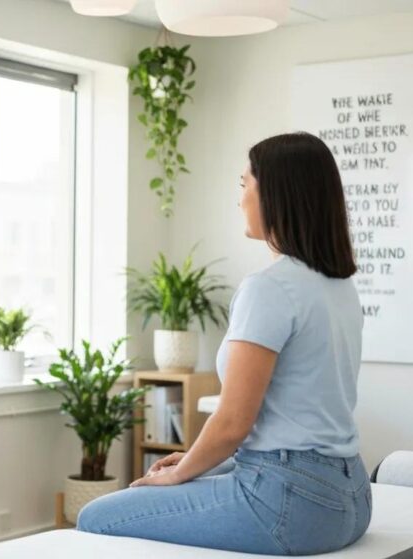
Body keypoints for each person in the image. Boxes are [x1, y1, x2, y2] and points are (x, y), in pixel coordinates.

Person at [77, 132, 370, 555]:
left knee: (97, 517)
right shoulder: (340, 286)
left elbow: (234, 423)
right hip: (351, 498)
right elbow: (287, 430)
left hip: (291, 502)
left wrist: (178, 477)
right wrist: (196, 458)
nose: (240, 198)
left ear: (275, 194)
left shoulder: (269, 288)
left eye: (244, 184)